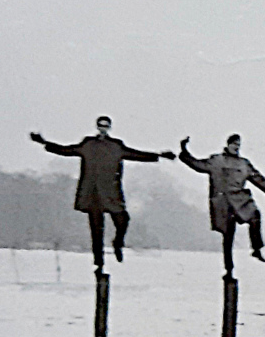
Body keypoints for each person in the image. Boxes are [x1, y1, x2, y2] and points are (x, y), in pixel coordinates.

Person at [30, 116, 175, 273]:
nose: (103, 128)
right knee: (96, 229)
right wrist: (44, 143)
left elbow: (136, 154)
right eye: (101, 125)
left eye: (106, 125)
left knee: (122, 220)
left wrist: (158, 156)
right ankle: (99, 261)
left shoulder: (116, 146)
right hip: (92, 193)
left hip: (111, 192)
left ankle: (117, 243)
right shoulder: (88, 144)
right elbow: (66, 150)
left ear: (109, 127)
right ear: (98, 126)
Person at [179, 134, 265, 276]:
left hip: (240, 200)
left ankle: (256, 249)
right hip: (223, 204)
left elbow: (257, 178)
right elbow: (197, 165)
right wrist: (184, 150)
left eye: (238, 145)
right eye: (234, 144)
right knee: (228, 238)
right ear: (228, 144)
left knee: (255, 216)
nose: (236, 147)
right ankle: (229, 270)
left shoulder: (243, 163)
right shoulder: (216, 160)